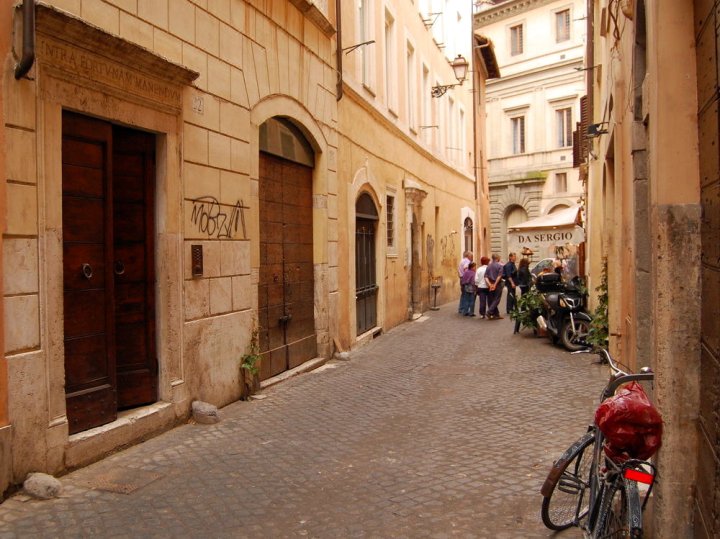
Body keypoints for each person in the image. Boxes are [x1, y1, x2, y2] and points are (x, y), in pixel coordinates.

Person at [513, 258, 532, 334]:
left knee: (523, 297)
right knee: (526, 297)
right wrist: (529, 283)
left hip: (522, 285)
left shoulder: (521, 268)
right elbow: (527, 278)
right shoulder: (524, 269)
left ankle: (524, 307)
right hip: (525, 285)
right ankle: (525, 308)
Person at [484, 254, 504, 319]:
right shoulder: (500, 266)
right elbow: (499, 276)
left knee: (492, 299)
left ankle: (496, 314)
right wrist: (495, 284)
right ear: (497, 258)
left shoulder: (488, 266)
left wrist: (489, 284)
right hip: (497, 284)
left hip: (490, 283)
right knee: (497, 299)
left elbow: (485, 276)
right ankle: (489, 311)